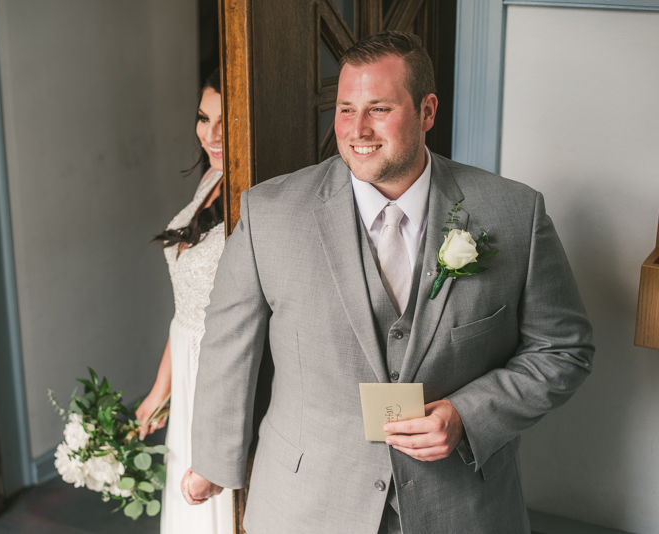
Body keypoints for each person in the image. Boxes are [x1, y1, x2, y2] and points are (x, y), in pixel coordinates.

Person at [182, 31, 594, 533]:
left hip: (463, 506)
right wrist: (212, 461)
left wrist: (468, 415)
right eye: (345, 109)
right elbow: (229, 344)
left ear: (427, 111)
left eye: (379, 108)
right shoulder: (271, 214)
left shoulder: (513, 213)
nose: (358, 130)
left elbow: (563, 349)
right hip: (308, 504)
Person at [137, 69, 233, 534]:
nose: (210, 134)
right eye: (202, 118)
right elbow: (187, 312)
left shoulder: (256, 196)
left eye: (224, 120)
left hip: (224, 377)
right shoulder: (211, 179)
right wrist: (161, 390)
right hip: (189, 372)